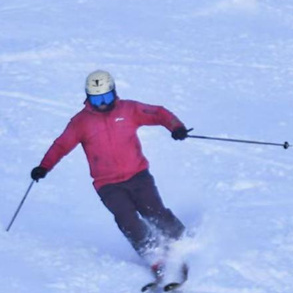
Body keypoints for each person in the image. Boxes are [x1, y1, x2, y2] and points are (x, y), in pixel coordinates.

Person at [31, 70, 191, 275]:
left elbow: (158, 113)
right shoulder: (81, 122)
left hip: (138, 175)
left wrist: (176, 127)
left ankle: (181, 242)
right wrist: (44, 166)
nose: (103, 104)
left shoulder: (129, 109)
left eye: (106, 97)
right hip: (107, 185)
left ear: (114, 92)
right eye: (97, 100)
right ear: (88, 98)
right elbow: (61, 145)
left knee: (153, 211)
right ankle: (154, 255)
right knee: (127, 219)